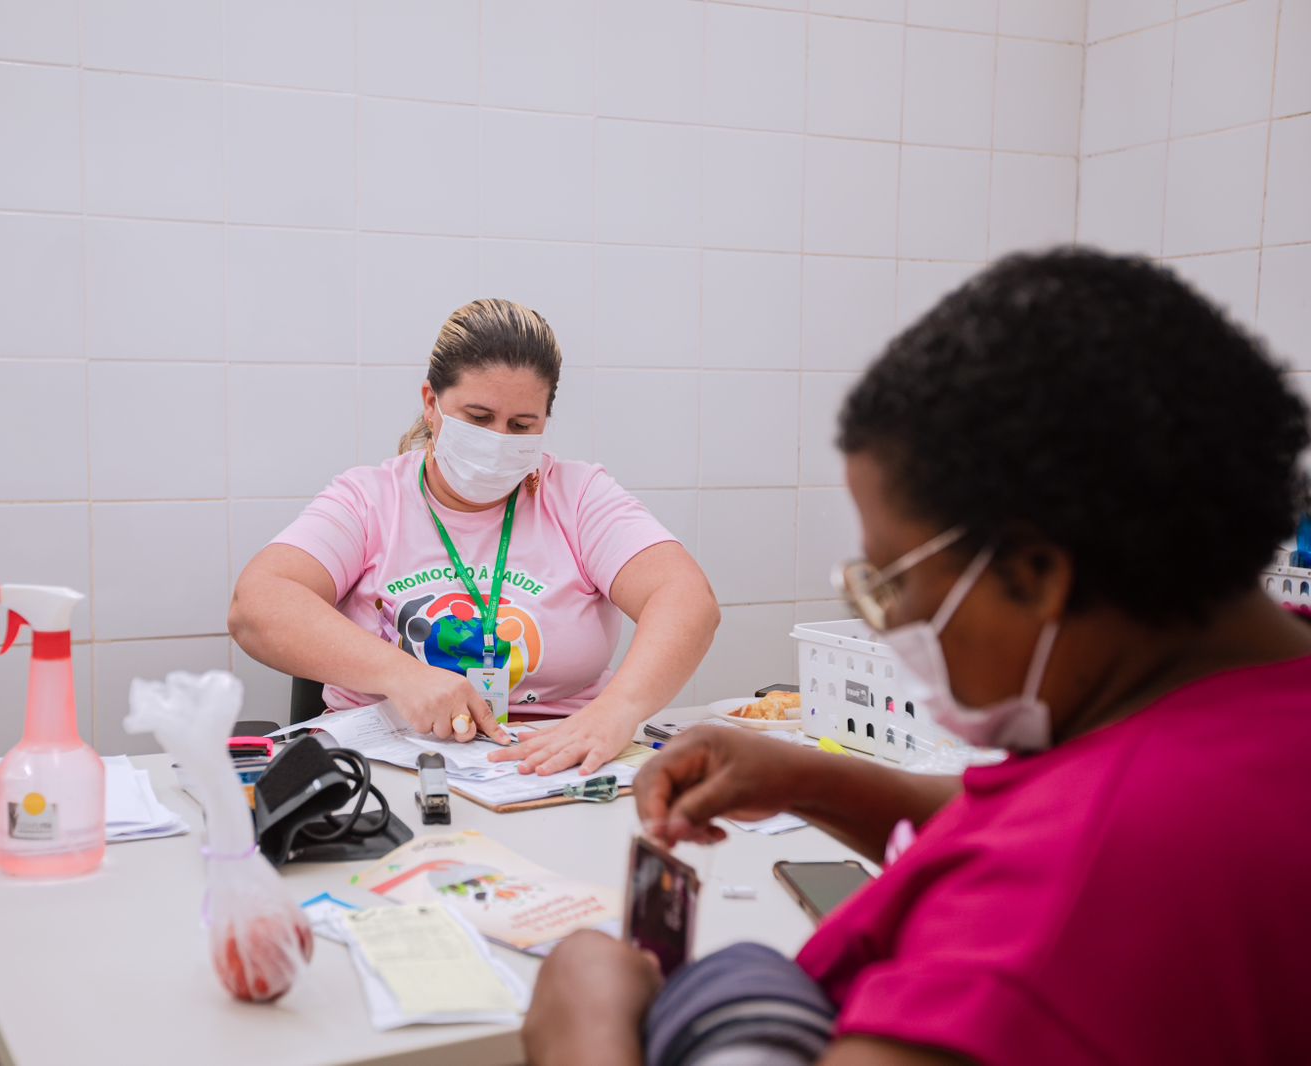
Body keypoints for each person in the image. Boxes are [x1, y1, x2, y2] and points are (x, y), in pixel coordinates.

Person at [523, 249, 1311, 1065]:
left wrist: (583, 1025)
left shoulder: (1065, 908)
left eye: (891, 583)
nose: (892, 621)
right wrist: (809, 780)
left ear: (1034, 575)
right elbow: (1036, 815)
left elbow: (1070, 852)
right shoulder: (1247, 686)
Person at [230, 298, 720, 776]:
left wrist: (616, 712)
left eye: (521, 425)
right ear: (431, 404)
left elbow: (686, 599)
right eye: (479, 418)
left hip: (556, 764)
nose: (498, 440)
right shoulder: (369, 499)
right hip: (387, 767)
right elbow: (257, 605)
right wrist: (402, 676)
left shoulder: (578, 496)